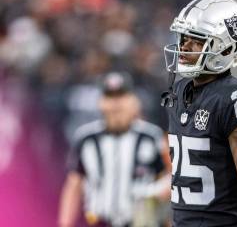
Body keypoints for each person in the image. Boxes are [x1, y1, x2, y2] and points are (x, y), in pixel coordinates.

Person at [161, 0, 237, 227]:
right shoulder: (179, 90)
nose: (184, 46)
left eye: (196, 40)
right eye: (184, 38)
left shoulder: (236, 98)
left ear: (226, 48)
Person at [58, 72, 171, 227]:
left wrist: (157, 191)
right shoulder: (86, 138)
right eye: (110, 97)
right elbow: (74, 185)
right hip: (99, 221)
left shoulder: (152, 137)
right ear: (100, 102)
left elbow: (172, 177)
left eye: (121, 96)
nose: (116, 104)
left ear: (134, 101)